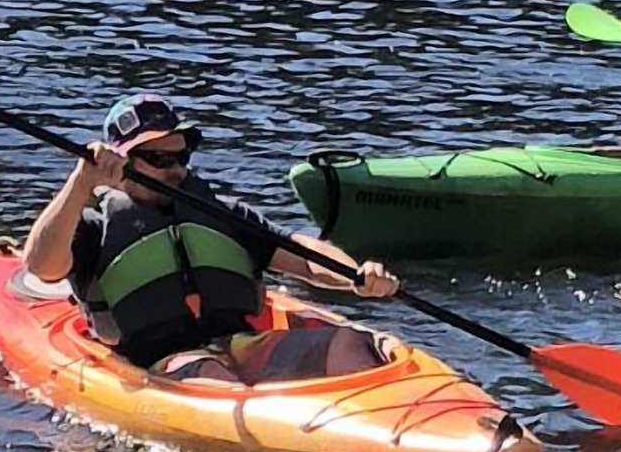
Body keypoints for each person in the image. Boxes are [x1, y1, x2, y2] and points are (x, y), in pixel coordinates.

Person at [22, 93, 400, 384]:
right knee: (210, 374)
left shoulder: (218, 211)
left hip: (238, 345)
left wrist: (355, 277)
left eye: (181, 156)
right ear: (122, 162)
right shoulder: (93, 226)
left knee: (351, 344)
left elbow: (301, 254)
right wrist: (81, 182)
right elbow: (41, 266)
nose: (175, 170)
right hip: (161, 364)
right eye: (158, 159)